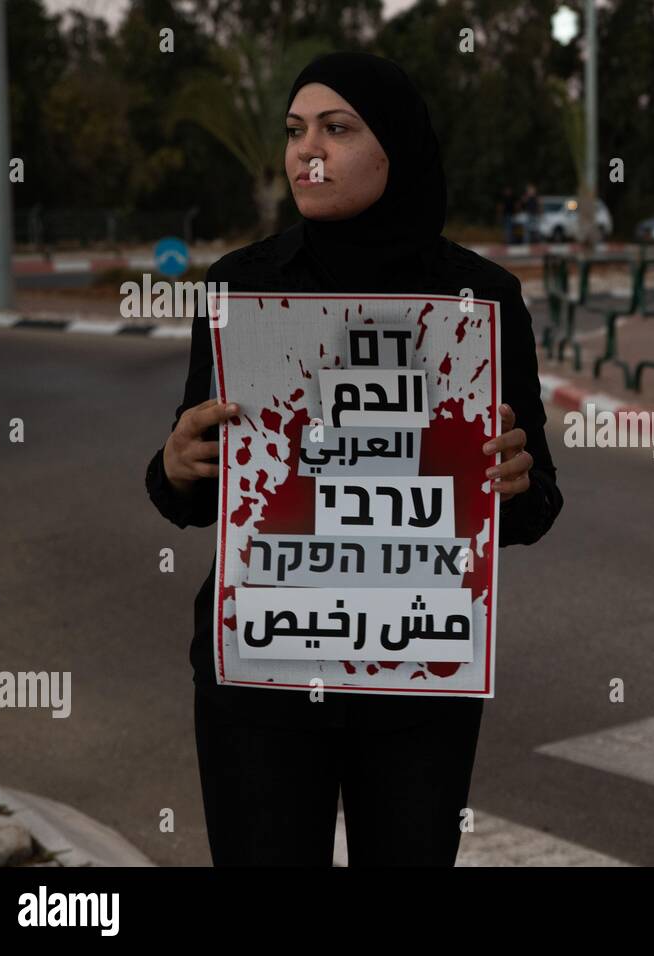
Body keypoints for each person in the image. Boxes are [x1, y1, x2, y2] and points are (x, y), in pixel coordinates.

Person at [143, 52, 564, 866]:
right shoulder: (244, 285)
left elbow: (534, 502)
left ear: (396, 148)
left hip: (415, 680)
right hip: (259, 676)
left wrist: (514, 484)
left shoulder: (479, 300)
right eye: (297, 131)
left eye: (338, 130)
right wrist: (174, 462)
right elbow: (196, 495)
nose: (309, 151)